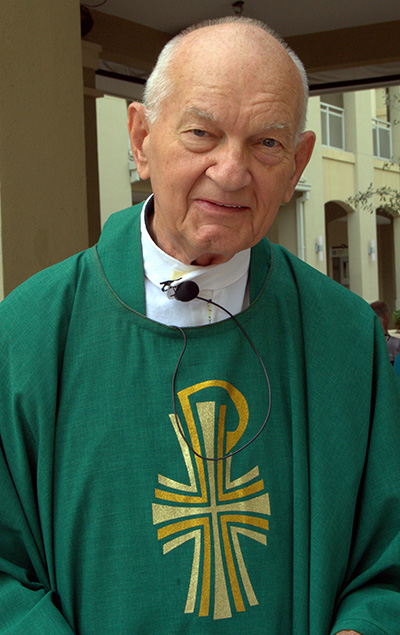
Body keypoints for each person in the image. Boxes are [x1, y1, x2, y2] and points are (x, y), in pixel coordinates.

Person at [1, 17, 399, 635]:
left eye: (267, 143)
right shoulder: (25, 332)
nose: (232, 170)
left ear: (297, 164)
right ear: (141, 137)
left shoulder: (346, 337)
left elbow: (389, 561)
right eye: (201, 133)